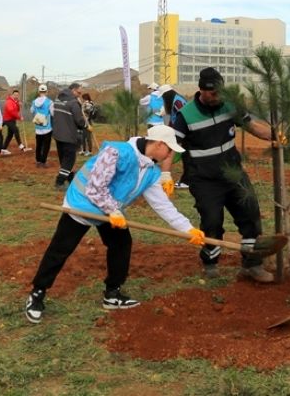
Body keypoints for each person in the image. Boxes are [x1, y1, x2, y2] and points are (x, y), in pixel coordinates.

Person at [24, 125, 205, 324]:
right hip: (81, 203)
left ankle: (112, 293)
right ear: (160, 144)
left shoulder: (151, 171)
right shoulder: (118, 152)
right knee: (61, 249)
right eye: (170, 150)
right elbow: (95, 187)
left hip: (110, 211)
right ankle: (37, 293)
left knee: (121, 244)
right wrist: (113, 211)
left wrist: (188, 229)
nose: (170, 155)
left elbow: (162, 206)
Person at [172, 67, 275, 282]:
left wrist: (275, 136)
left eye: (220, 92)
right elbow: (172, 145)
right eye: (213, 93)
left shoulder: (229, 103)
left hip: (233, 173)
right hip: (204, 179)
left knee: (250, 214)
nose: (217, 97)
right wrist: (163, 173)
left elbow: (252, 126)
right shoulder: (186, 115)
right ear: (202, 90)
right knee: (211, 222)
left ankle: (252, 264)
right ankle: (210, 263)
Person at [52, 83, 87, 189]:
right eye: (78, 92)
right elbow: (79, 121)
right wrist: (86, 124)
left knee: (64, 159)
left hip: (58, 134)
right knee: (69, 160)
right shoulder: (73, 103)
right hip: (69, 136)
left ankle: (70, 177)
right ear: (73, 90)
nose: (79, 95)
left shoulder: (57, 100)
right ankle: (59, 182)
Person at [31, 84, 53, 168]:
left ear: (38, 92)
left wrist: (37, 114)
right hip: (47, 127)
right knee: (46, 145)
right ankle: (43, 162)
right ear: (46, 92)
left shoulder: (34, 102)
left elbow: (32, 110)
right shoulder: (49, 102)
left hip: (38, 126)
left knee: (39, 144)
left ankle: (38, 161)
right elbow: (52, 113)